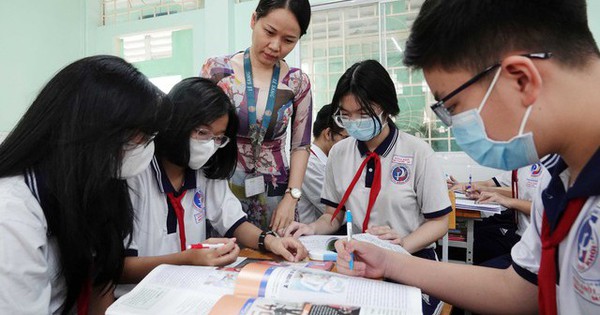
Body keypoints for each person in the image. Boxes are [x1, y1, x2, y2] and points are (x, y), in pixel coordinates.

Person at [335, 1, 600, 314]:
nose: (457, 128)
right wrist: (390, 261)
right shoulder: (558, 179)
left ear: (522, 79)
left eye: (455, 108)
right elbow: (518, 289)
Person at [0, 55, 172, 314]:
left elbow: (101, 279)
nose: (145, 148)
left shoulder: (96, 184)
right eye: (139, 137)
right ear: (92, 133)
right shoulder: (12, 212)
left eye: (149, 137)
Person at [286, 60, 451, 315]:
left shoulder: (418, 153)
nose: (353, 122)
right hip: (360, 260)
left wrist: (401, 245)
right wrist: (311, 228)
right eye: (345, 114)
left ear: (385, 107)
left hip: (413, 259)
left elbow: (439, 223)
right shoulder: (340, 153)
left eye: (363, 114)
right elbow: (333, 216)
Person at [120, 78, 308, 288]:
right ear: (176, 122)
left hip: (188, 290)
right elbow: (120, 269)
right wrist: (188, 259)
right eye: (202, 133)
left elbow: (234, 223)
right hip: (139, 296)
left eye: (218, 138)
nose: (210, 145)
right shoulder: (136, 172)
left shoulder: (204, 172)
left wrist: (272, 241)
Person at [201, 0, 313, 234]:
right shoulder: (218, 71)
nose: (275, 46)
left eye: (288, 40)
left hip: (276, 194)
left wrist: (292, 197)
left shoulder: (297, 82)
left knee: (276, 261)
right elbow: (199, 129)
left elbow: (300, 146)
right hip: (221, 186)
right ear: (254, 20)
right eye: (269, 32)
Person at [448, 156, 555, 266]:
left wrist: (506, 200)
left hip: (538, 243)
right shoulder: (523, 166)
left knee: (479, 241)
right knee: (477, 231)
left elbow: (548, 208)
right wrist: (468, 187)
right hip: (522, 234)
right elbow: (504, 187)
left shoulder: (553, 167)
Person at [297, 104, 348, 224]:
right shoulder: (310, 164)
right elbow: (336, 212)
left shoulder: (327, 160)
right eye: (346, 138)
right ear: (328, 134)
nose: (350, 145)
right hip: (311, 235)